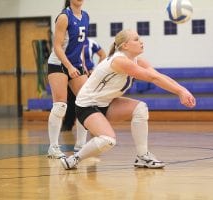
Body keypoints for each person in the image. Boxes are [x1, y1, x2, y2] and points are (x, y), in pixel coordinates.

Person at [60, 29, 196, 170]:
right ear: (125, 45)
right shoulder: (120, 61)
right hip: (86, 106)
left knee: (140, 108)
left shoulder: (137, 61)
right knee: (108, 140)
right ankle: (74, 159)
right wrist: (180, 92)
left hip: (106, 103)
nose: (141, 42)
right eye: (136, 39)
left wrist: (182, 89)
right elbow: (153, 78)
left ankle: (142, 156)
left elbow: (158, 75)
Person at [47, 0, 89, 158]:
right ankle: (53, 147)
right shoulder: (64, 17)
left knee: (86, 102)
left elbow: (82, 45)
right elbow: (57, 46)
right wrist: (69, 67)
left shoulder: (85, 16)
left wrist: (83, 65)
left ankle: (81, 145)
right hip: (59, 63)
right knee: (60, 106)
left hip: (76, 63)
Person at [61, 38, 106, 131]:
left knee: (89, 100)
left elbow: (103, 54)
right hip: (74, 73)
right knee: (72, 99)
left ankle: (93, 124)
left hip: (89, 75)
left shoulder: (91, 42)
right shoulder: (71, 42)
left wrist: (96, 70)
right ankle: (68, 124)